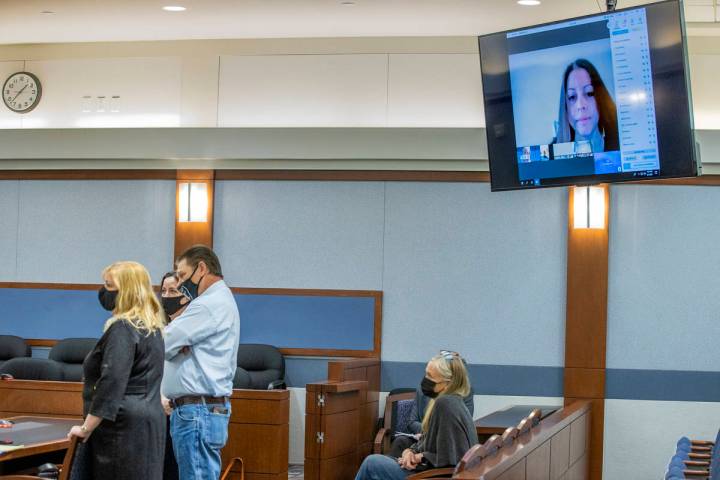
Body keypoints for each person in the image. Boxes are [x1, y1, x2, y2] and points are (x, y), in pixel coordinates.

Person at [68, 261, 166, 480]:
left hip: (121, 428)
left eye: (109, 285)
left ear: (126, 291)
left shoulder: (123, 328)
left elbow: (112, 382)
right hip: (149, 423)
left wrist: (86, 428)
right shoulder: (152, 328)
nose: (104, 291)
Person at [162, 245, 240, 480]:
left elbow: (163, 344)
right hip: (201, 410)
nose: (182, 284)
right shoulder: (218, 300)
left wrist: (172, 338)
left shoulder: (207, 304)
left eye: (184, 276)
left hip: (197, 412)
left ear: (202, 268)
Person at [355, 351, 478, 479]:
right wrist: (410, 452)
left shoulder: (445, 403)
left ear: (447, 383)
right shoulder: (452, 400)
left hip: (430, 476)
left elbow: (450, 458)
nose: (425, 380)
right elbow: (428, 439)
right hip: (426, 471)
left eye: (430, 376)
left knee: (371, 463)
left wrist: (419, 458)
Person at [159, 271, 189, 480]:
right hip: (157, 410)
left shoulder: (192, 328)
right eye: (163, 291)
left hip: (182, 411)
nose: (167, 296)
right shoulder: (159, 329)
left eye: (173, 290)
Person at [554, 58, 619, 153]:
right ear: (565, 109)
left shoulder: (623, 143)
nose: (580, 105)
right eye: (572, 97)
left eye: (589, 93)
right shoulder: (552, 151)